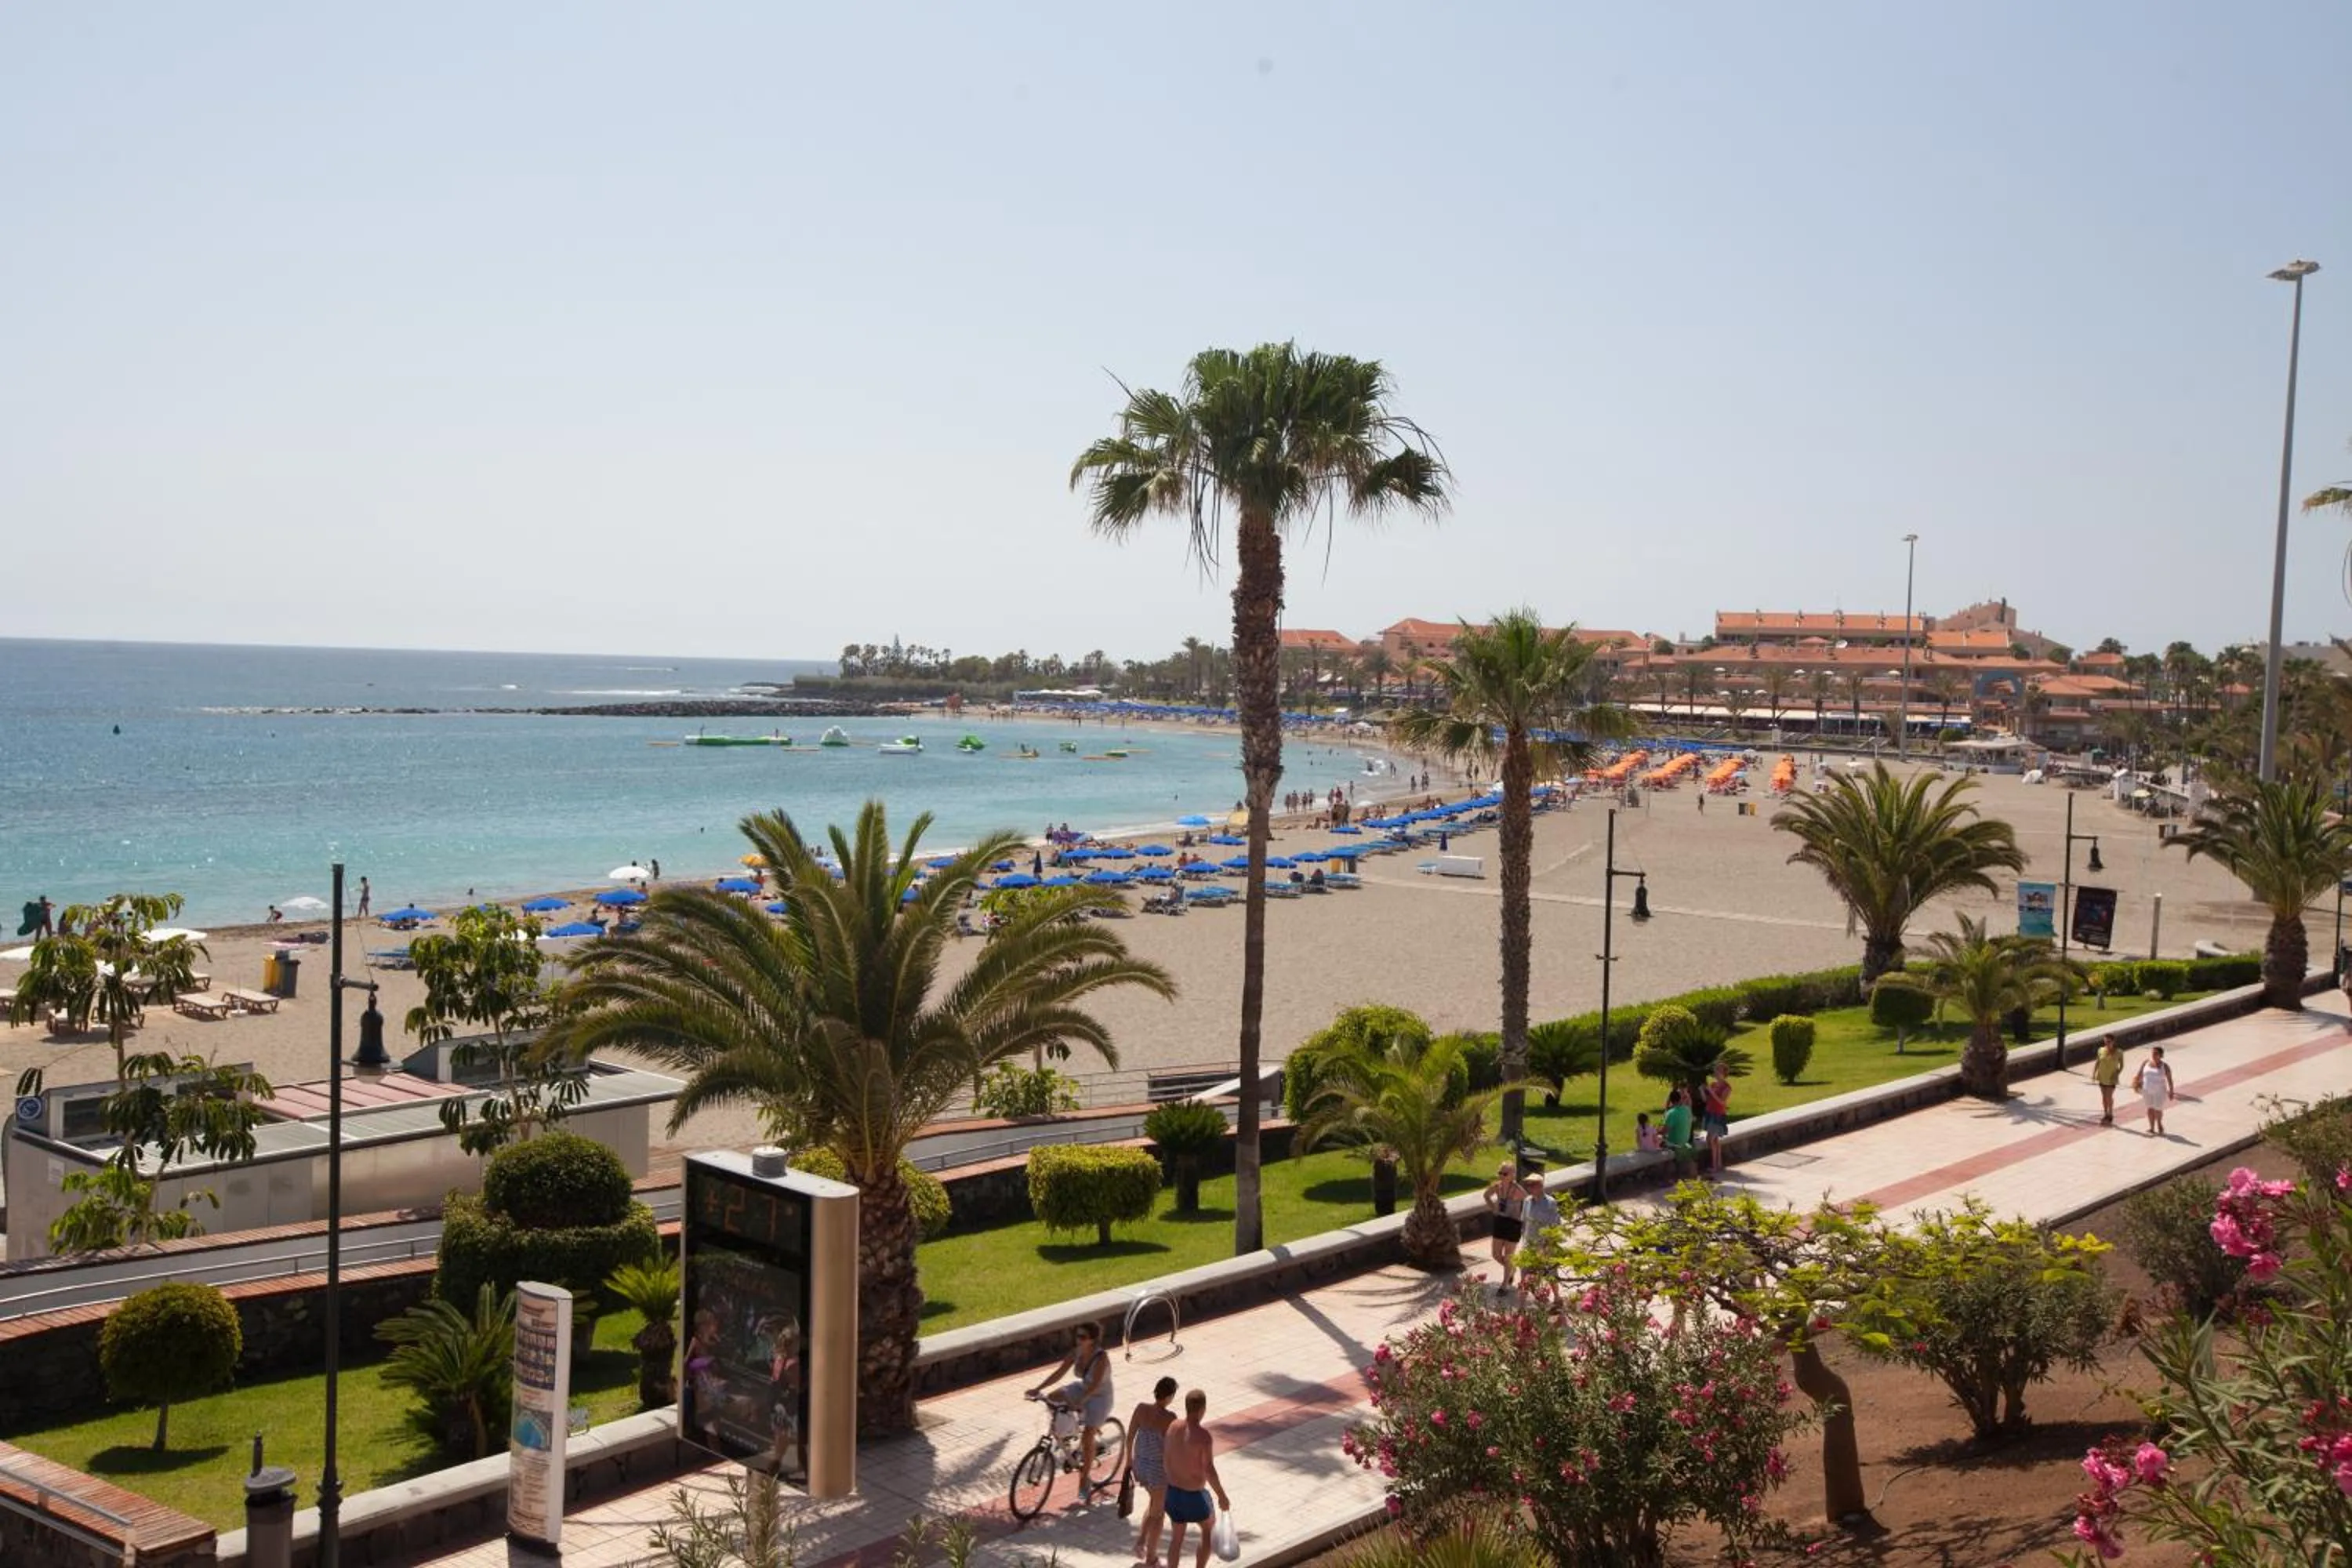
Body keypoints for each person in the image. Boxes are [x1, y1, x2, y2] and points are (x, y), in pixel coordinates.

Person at [1026, 1320, 1115, 1500]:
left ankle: (1084, 1480)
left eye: (1082, 1337)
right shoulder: (1076, 1353)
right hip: (1083, 1388)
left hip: (1099, 1397)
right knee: (1052, 1398)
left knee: (1088, 1436)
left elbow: (1096, 1385)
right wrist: (1038, 1389)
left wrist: (1080, 1402)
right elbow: (1059, 1373)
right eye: (1077, 1336)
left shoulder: (1101, 1358)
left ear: (1092, 1340)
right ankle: (1067, 1436)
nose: (1078, 1340)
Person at [1161, 1388, 1229, 1568]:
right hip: (1194, 1495)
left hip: (1173, 1493)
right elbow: (1209, 1469)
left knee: (1176, 1538)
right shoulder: (1203, 1437)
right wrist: (1222, 1496)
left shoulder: (1173, 1427)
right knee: (1208, 1529)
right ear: (1202, 1409)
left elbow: (1166, 1457)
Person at [1118, 1376, 1181, 1564]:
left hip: (1140, 1467)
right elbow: (1173, 1450)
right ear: (1169, 1396)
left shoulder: (1140, 1408)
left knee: (1153, 1504)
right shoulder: (1170, 1418)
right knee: (1159, 1515)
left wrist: (1130, 1463)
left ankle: (1140, 1543)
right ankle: (1152, 1559)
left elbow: (1129, 1438)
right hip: (1158, 1472)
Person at [1482, 1161, 1525, 1290]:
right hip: (1500, 1221)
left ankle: (1504, 1284)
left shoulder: (1518, 1190)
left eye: (1505, 1174)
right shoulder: (1497, 1187)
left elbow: (1529, 1202)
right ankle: (1512, 1269)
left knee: (1508, 1256)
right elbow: (1486, 1195)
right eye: (1500, 1173)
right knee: (1496, 1254)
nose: (1501, 1176)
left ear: (1512, 1175)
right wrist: (1493, 1208)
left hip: (1514, 1224)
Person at [1516, 1171, 1563, 1288]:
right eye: (1528, 1185)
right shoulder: (1527, 1201)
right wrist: (1524, 1241)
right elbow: (1524, 1222)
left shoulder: (1550, 1202)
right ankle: (1522, 1304)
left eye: (1533, 1185)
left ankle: (1557, 1298)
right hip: (1529, 1244)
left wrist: (1547, 1246)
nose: (1529, 1187)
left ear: (1540, 1186)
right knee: (1524, 1272)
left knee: (1551, 1273)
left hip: (1545, 1245)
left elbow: (1555, 1225)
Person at [2136, 1046, 2176, 1136]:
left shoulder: (2165, 1066)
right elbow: (2140, 1074)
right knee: (2150, 1108)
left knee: (2158, 1109)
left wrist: (2171, 1091)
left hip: (2160, 1092)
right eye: (2153, 1053)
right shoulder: (2146, 1063)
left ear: (2161, 1055)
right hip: (2147, 1090)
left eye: (2156, 1053)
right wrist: (2137, 1083)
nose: (2153, 1055)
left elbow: (2170, 1080)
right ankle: (2152, 1128)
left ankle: (2159, 1124)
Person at [1701, 1061, 1733, 1173]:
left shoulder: (1727, 1087)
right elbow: (1706, 1100)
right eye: (1716, 1071)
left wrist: (1711, 1092)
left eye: (1719, 1071)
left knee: (1712, 1139)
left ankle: (1715, 1166)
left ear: (1724, 1073)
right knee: (1713, 1140)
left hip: (1718, 1114)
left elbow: (1722, 1102)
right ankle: (1718, 1164)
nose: (1717, 1073)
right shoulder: (1713, 1085)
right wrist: (1702, 1091)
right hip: (1710, 1113)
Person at [1662, 1087, 1697, 1178]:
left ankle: (1667, 1176)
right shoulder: (1687, 1109)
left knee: (1659, 1141)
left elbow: (1665, 1131)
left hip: (1675, 1143)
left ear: (1671, 1101)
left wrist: (1657, 1131)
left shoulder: (1671, 1113)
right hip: (1686, 1140)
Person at [2092, 1039, 2125, 1125]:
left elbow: (2122, 1065)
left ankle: (2110, 1113)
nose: (2107, 1043)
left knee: (2109, 1096)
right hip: (2102, 1076)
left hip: (2111, 1078)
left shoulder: (2119, 1052)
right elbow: (2098, 1062)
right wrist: (2094, 1074)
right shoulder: (2101, 1050)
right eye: (2106, 1042)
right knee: (2104, 1096)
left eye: (2109, 1041)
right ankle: (2106, 1113)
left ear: (2113, 1042)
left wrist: (2117, 1073)